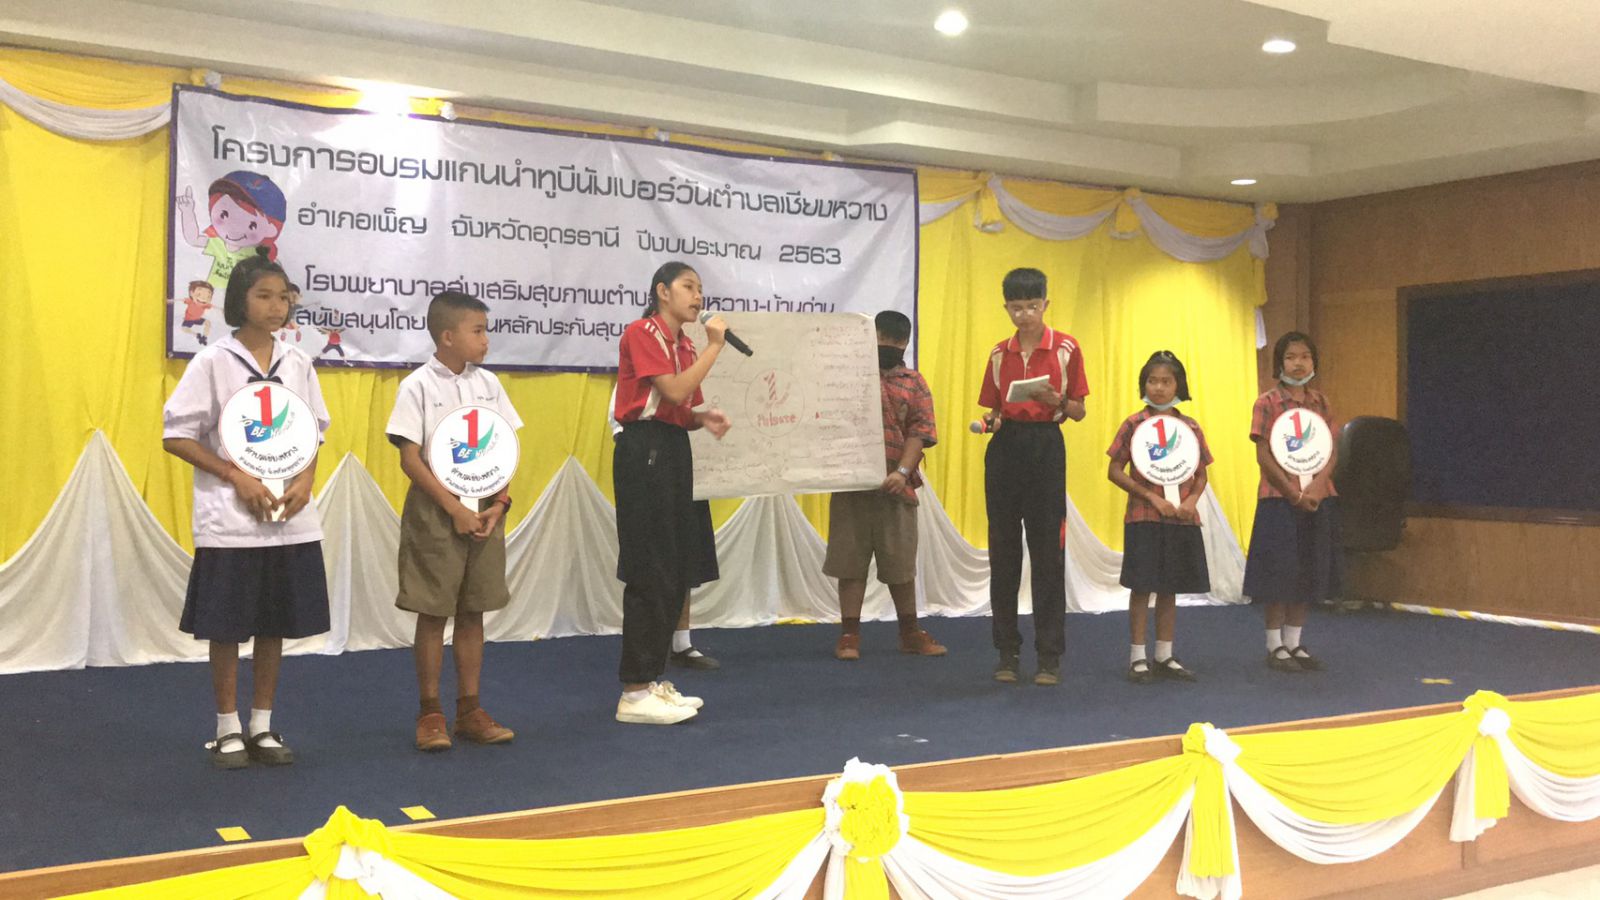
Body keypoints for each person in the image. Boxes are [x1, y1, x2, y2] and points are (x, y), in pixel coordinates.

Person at [161, 248, 330, 769]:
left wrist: (305, 479)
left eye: (284, 297)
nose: (277, 306)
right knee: (228, 626)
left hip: (288, 518)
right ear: (240, 300)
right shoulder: (213, 361)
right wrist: (235, 475)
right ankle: (227, 727)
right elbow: (176, 435)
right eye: (264, 296)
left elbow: (314, 433)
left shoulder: (298, 363)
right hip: (231, 520)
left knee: (274, 623)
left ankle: (262, 724)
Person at [386, 291, 522, 751]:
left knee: (472, 610)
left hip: (485, 507)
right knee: (433, 611)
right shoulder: (418, 386)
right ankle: (430, 713)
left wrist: (499, 503)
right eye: (477, 331)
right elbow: (409, 458)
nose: (486, 340)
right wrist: (454, 508)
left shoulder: (490, 384)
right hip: (437, 510)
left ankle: (470, 709)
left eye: (486, 331)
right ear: (447, 336)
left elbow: (505, 449)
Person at [612, 262, 731, 724]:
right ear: (662, 291)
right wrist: (716, 345)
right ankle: (633, 692)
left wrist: (702, 419)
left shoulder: (683, 343)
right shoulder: (642, 332)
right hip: (644, 451)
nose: (698, 297)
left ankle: (652, 680)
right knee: (649, 567)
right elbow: (675, 390)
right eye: (688, 287)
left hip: (672, 447)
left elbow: (679, 408)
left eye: (700, 289)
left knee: (673, 569)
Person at [976, 268, 1088, 686]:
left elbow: (1079, 411)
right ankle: (1006, 652)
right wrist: (991, 422)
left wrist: (1057, 400)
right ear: (1006, 307)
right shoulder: (998, 353)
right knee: (1003, 553)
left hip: (1046, 446)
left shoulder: (1066, 348)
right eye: (1017, 307)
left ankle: (1049, 656)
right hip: (1006, 449)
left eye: (1032, 306)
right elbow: (994, 410)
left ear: (1046, 305)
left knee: (1047, 555)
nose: (1025, 315)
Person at [826, 311, 945, 661]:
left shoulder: (915, 382)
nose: (887, 345)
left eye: (894, 341)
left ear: (905, 342)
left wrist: (903, 472)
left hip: (898, 487)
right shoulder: (848, 376)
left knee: (901, 564)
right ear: (870, 337)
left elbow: (921, 431)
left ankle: (910, 633)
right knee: (849, 563)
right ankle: (849, 636)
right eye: (881, 338)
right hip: (851, 485)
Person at [1106, 351, 1211, 684]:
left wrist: (1191, 501)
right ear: (1143, 385)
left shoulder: (1190, 427)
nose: (1159, 387)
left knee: (1170, 587)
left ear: (1178, 385)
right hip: (1144, 517)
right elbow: (1114, 470)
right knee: (1142, 587)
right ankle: (1137, 657)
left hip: (1181, 518)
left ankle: (1164, 654)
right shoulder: (1134, 424)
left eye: (1166, 381)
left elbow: (1201, 474)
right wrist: (1151, 497)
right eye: (1152, 381)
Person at [1244, 331, 1343, 673]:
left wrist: (1316, 488)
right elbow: (1263, 454)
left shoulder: (1321, 403)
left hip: (1318, 498)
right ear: (1279, 363)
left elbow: (1331, 451)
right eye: (1290, 357)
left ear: (1314, 362)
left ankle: (1295, 642)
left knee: (1307, 569)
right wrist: (1292, 492)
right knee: (1279, 572)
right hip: (1278, 499)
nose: (1298, 364)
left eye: (1304, 357)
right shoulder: (1267, 403)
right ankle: (1275, 645)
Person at [176, 280, 215, 346]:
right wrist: (169, 301)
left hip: (197, 319)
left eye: (208, 297)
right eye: (199, 295)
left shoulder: (205, 305)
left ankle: (204, 337)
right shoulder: (190, 301)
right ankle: (197, 335)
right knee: (184, 329)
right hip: (189, 319)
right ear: (191, 293)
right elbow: (181, 300)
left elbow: (214, 306)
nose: (203, 298)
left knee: (208, 323)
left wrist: (222, 310)